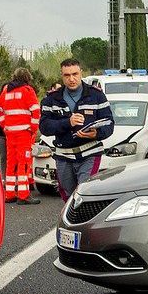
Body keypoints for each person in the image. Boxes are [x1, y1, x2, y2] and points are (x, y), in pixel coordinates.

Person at [40, 58, 114, 201]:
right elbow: (44, 127)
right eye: (67, 75)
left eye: (75, 74)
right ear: (62, 76)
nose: (71, 79)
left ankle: (87, 223)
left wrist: (96, 133)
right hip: (64, 155)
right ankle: (71, 222)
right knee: (68, 197)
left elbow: (109, 123)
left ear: (81, 73)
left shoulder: (96, 95)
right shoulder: (52, 99)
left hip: (90, 153)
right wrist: (68, 122)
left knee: (85, 193)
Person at [0, 68, 41, 203]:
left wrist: (4, 125)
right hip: (23, 133)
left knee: (11, 163)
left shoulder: (6, 91)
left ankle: (9, 194)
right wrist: (33, 128)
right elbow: (36, 111)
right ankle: (23, 195)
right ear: (27, 78)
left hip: (10, 133)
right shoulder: (27, 90)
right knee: (24, 163)